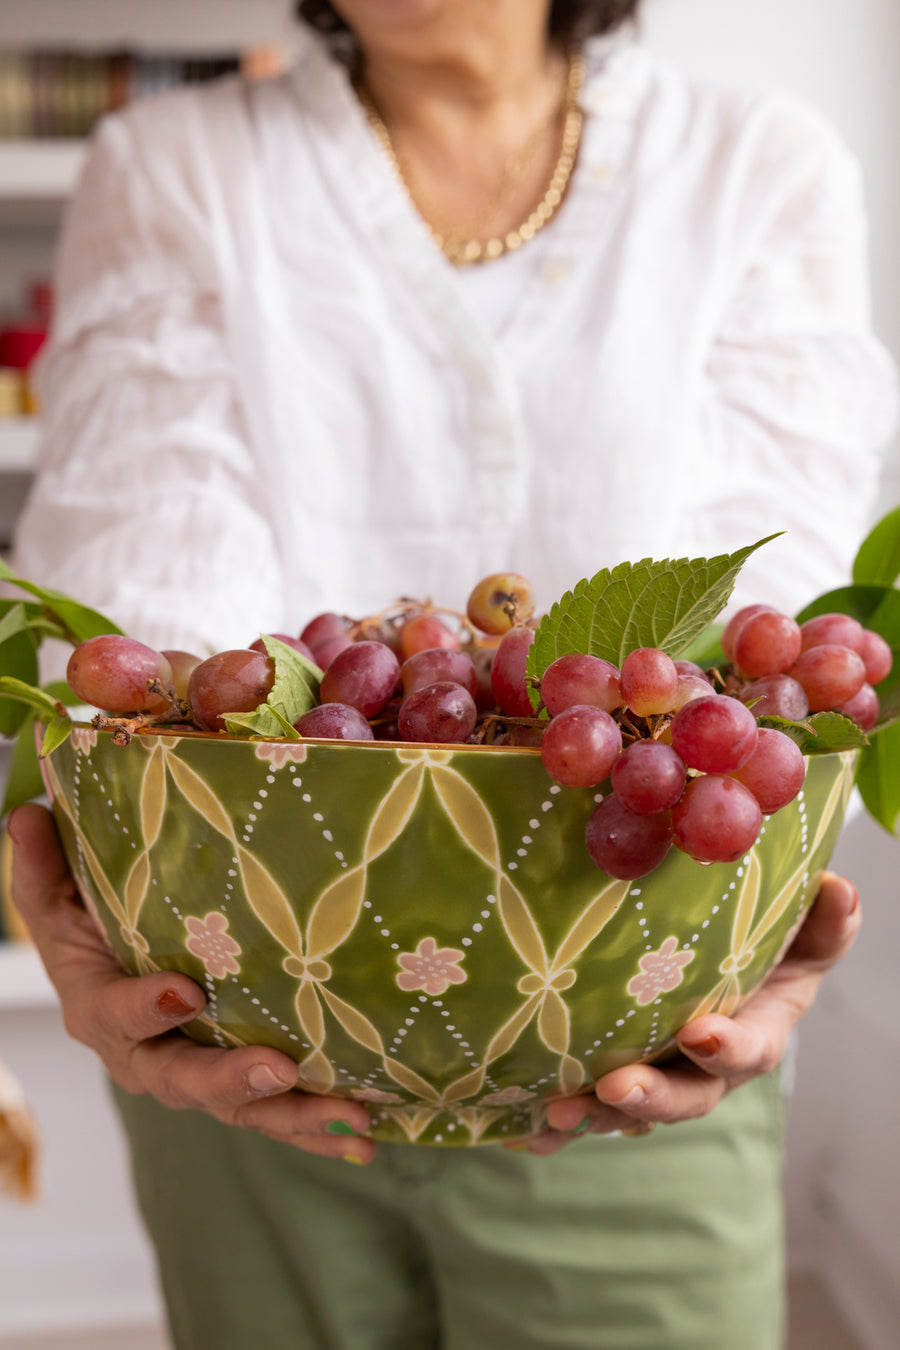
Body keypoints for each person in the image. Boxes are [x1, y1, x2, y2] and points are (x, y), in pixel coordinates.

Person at [7, 1, 897, 1346]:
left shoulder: (757, 164)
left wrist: (770, 905)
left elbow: (762, 662)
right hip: (252, 1037)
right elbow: (161, 657)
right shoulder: (171, 164)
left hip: (636, 1037)